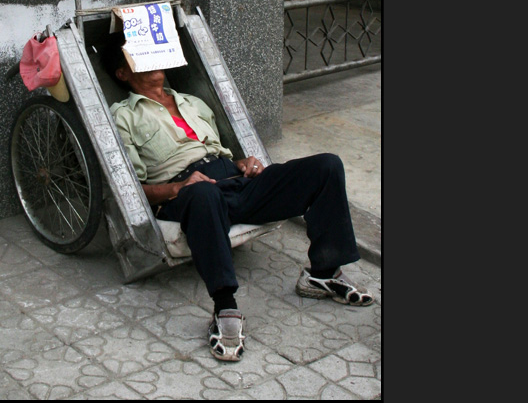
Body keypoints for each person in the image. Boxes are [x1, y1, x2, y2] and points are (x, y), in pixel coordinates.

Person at [101, 32, 373, 362]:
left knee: (326, 166)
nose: (151, 60)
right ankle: (225, 307)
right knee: (204, 194)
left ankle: (323, 273)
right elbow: (129, 188)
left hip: (235, 181)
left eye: (151, 53)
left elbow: (218, 151)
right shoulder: (123, 116)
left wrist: (244, 163)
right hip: (188, 194)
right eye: (138, 56)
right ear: (122, 73)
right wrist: (177, 188)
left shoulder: (193, 103)